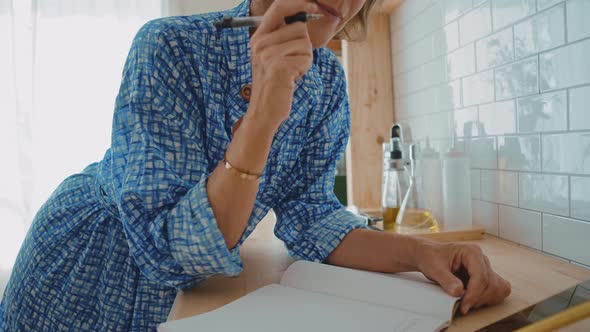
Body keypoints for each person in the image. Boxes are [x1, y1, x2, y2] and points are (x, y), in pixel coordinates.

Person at [0, 0, 511, 330]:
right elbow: (168, 254)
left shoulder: (327, 84)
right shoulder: (168, 47)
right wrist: (264, 110)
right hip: (85, 271)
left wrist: (421, 255)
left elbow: (313, 216)